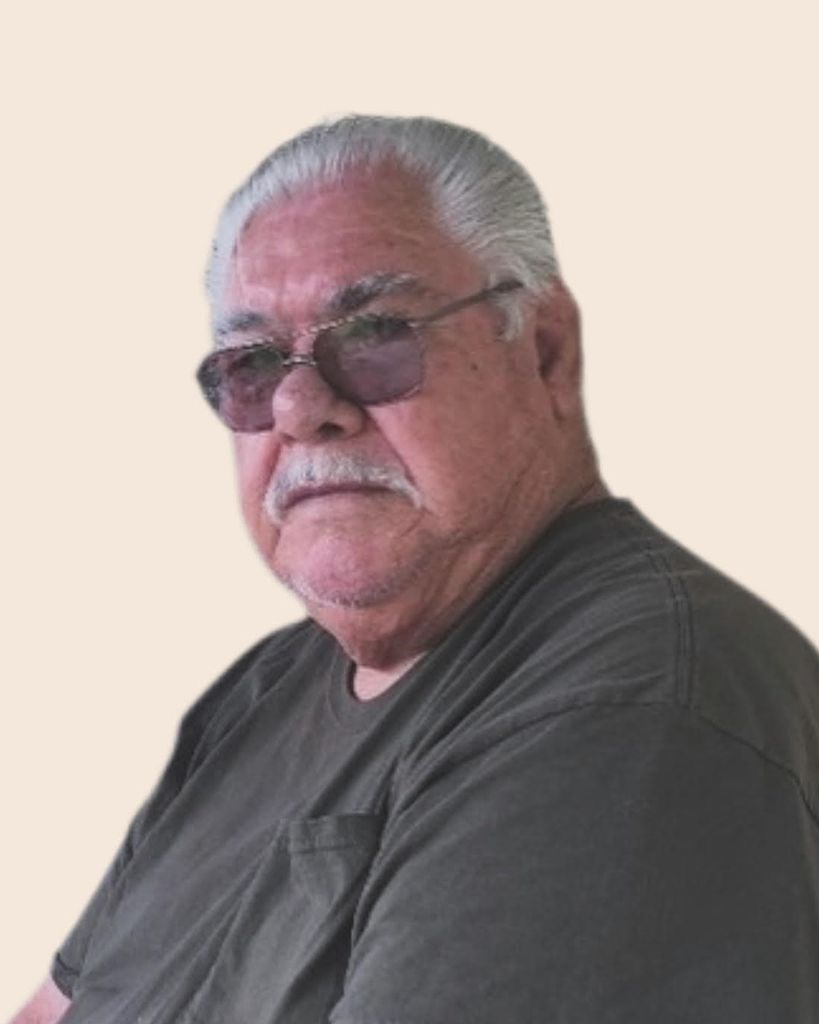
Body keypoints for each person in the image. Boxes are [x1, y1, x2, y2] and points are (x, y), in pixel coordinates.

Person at [12, 115, 819, 1024]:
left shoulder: (626, 697)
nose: (299, 406)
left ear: (545, 350)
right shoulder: (264, 688)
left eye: (373, 336)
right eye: (253, 365)